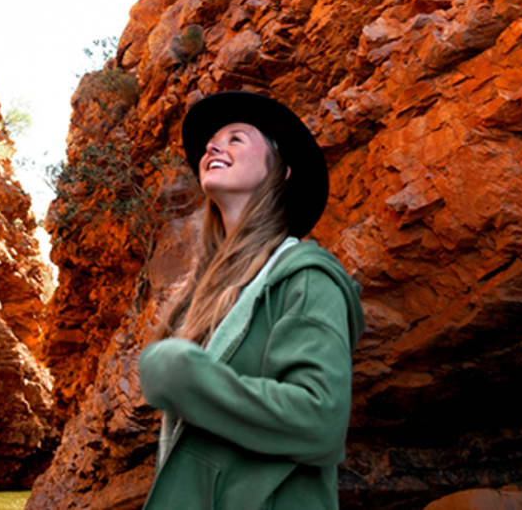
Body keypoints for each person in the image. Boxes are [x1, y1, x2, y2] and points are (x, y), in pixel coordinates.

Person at [138, 90, 365, 510]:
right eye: (212, 141)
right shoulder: (201, 296)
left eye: (236, 138)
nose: (213, 146)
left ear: (282, 171)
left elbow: (321, 421)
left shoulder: (309, 279)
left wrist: (187, 376)